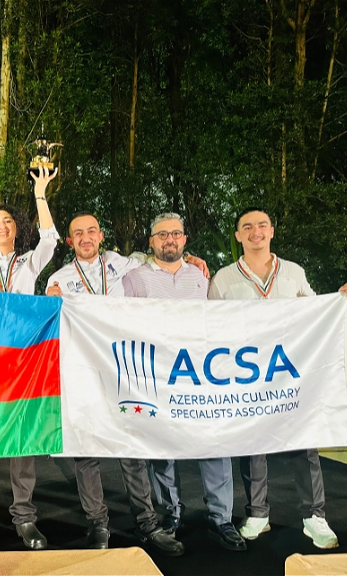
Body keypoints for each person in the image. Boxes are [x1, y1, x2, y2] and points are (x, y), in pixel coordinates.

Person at [208, 207, 347, 550]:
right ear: (238, 236)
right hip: (247, 376)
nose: (256, 231)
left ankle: (314, 516)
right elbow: (212, 326)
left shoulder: (293, 272)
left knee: (304, 444)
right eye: (248, 227)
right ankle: (257, 514)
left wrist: (342, 298)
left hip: (289, 374)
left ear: (272, 231)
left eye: (262, 225)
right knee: (252, 445)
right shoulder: (223, 279)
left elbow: (316, 312)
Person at [44, 212, 186, 556]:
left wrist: (191, 259)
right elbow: (53, 322)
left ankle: (147, 523)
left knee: (131, 448)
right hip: (82, 373)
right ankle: (98, 522)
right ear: (70, 241)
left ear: (101, 235)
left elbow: (163, 262)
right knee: (85, 451)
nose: (86, 237)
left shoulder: (126, 265)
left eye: (91, 230)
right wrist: (51, 300)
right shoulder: (59, 278)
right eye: (78, 233)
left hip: (124, 370)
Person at [121, 212, 247, 553]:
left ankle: (221, 518)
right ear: (151, 241)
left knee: (214, 445)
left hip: (199, 375)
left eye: (176, 234)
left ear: (185, 239)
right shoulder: (135, 278)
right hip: (158, 377)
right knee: (162, 449)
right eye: (162, 234)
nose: (170, 240)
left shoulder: (201, 277)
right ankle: (171, 513)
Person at [0, 167, 58, 552]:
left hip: (22, 362)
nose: (1, 227)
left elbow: (50, 237)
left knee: (22, 440)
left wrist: (40, 192)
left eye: (7, 222)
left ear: (17, 229)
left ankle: (25, 518)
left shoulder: (30, 262)